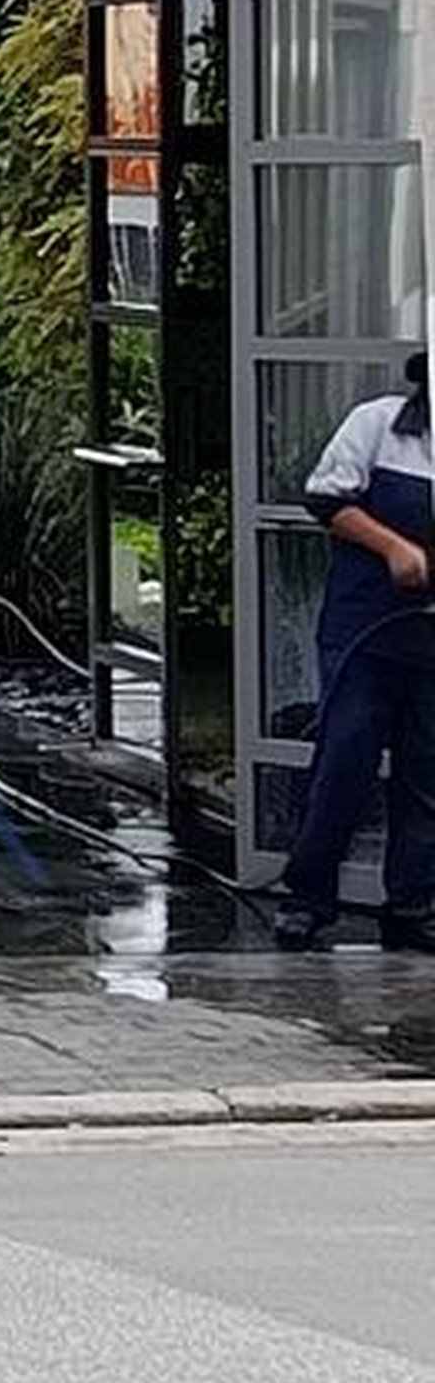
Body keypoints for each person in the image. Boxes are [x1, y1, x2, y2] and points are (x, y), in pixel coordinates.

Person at [274, 351, 435, 950]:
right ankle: (307, 898)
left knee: (426, 774)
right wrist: (394, 548)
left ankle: (413, 906)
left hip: (428, 637)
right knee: (345, 760)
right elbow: (327, 499)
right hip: (365, 628)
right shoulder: (378, 425)